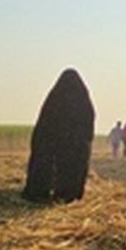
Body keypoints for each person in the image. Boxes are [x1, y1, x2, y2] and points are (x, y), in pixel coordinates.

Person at [22, 68, 97, 203]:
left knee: (45, 162)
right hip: (75, 143)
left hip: (52, 141)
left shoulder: (54, 100)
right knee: (73, 166)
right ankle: (68, 194)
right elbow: (88, 126)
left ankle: (39, 192)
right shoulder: (83, 102)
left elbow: (43, 126)